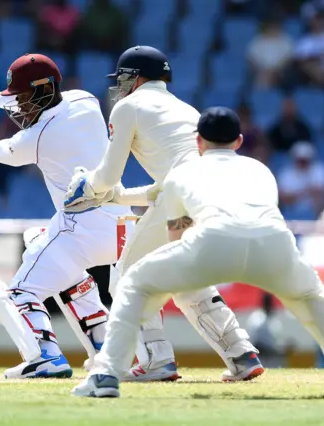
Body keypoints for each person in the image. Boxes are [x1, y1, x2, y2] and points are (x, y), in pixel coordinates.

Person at [72, 107, 324, 399]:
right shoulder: (261, 170)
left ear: (198, 141)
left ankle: (105, 377)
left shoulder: (181, 174)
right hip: (274, 246)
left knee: (134, 281)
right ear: (238, 140)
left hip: (213, 244)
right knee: (316, 299)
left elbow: (178, 238)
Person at [0, 54, 134, 379]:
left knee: (18, 294)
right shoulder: (85, 101)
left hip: (82, 230)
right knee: (39, 241)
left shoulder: (39, 136)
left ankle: (45, 357)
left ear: (43, 92)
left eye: (23, 99)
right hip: (121, 226)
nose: (18, 108)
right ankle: (106, 348)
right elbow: (19, 98)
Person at [64, 46, 263, 382]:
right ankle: (241, 353)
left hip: (182, 196)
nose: (121, 86)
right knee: (187, 278)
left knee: (129, 275)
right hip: (211, 195)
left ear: (136, 77)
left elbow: (109, 175)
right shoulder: (183, 109)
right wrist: (112, 196)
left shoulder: (128, 107)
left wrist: (89, 186)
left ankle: (156, 359)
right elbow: (160, 189)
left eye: (124, 78)